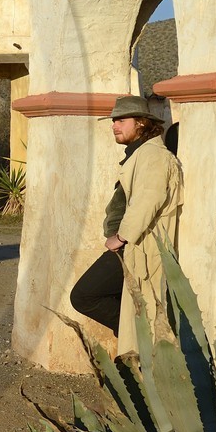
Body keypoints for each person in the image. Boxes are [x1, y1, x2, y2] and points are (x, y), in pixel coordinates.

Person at [68, 95, 184, 354]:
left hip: (139, 246)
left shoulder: (153, 156)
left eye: (121, 120)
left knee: (84, 295)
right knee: (125, 304)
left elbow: (148, 200)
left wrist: (121, 237)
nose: (114, 126)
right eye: (113, 121)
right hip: (132, 245)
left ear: (141, 123)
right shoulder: (140, 154)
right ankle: (134, 346)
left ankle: (141, 343)